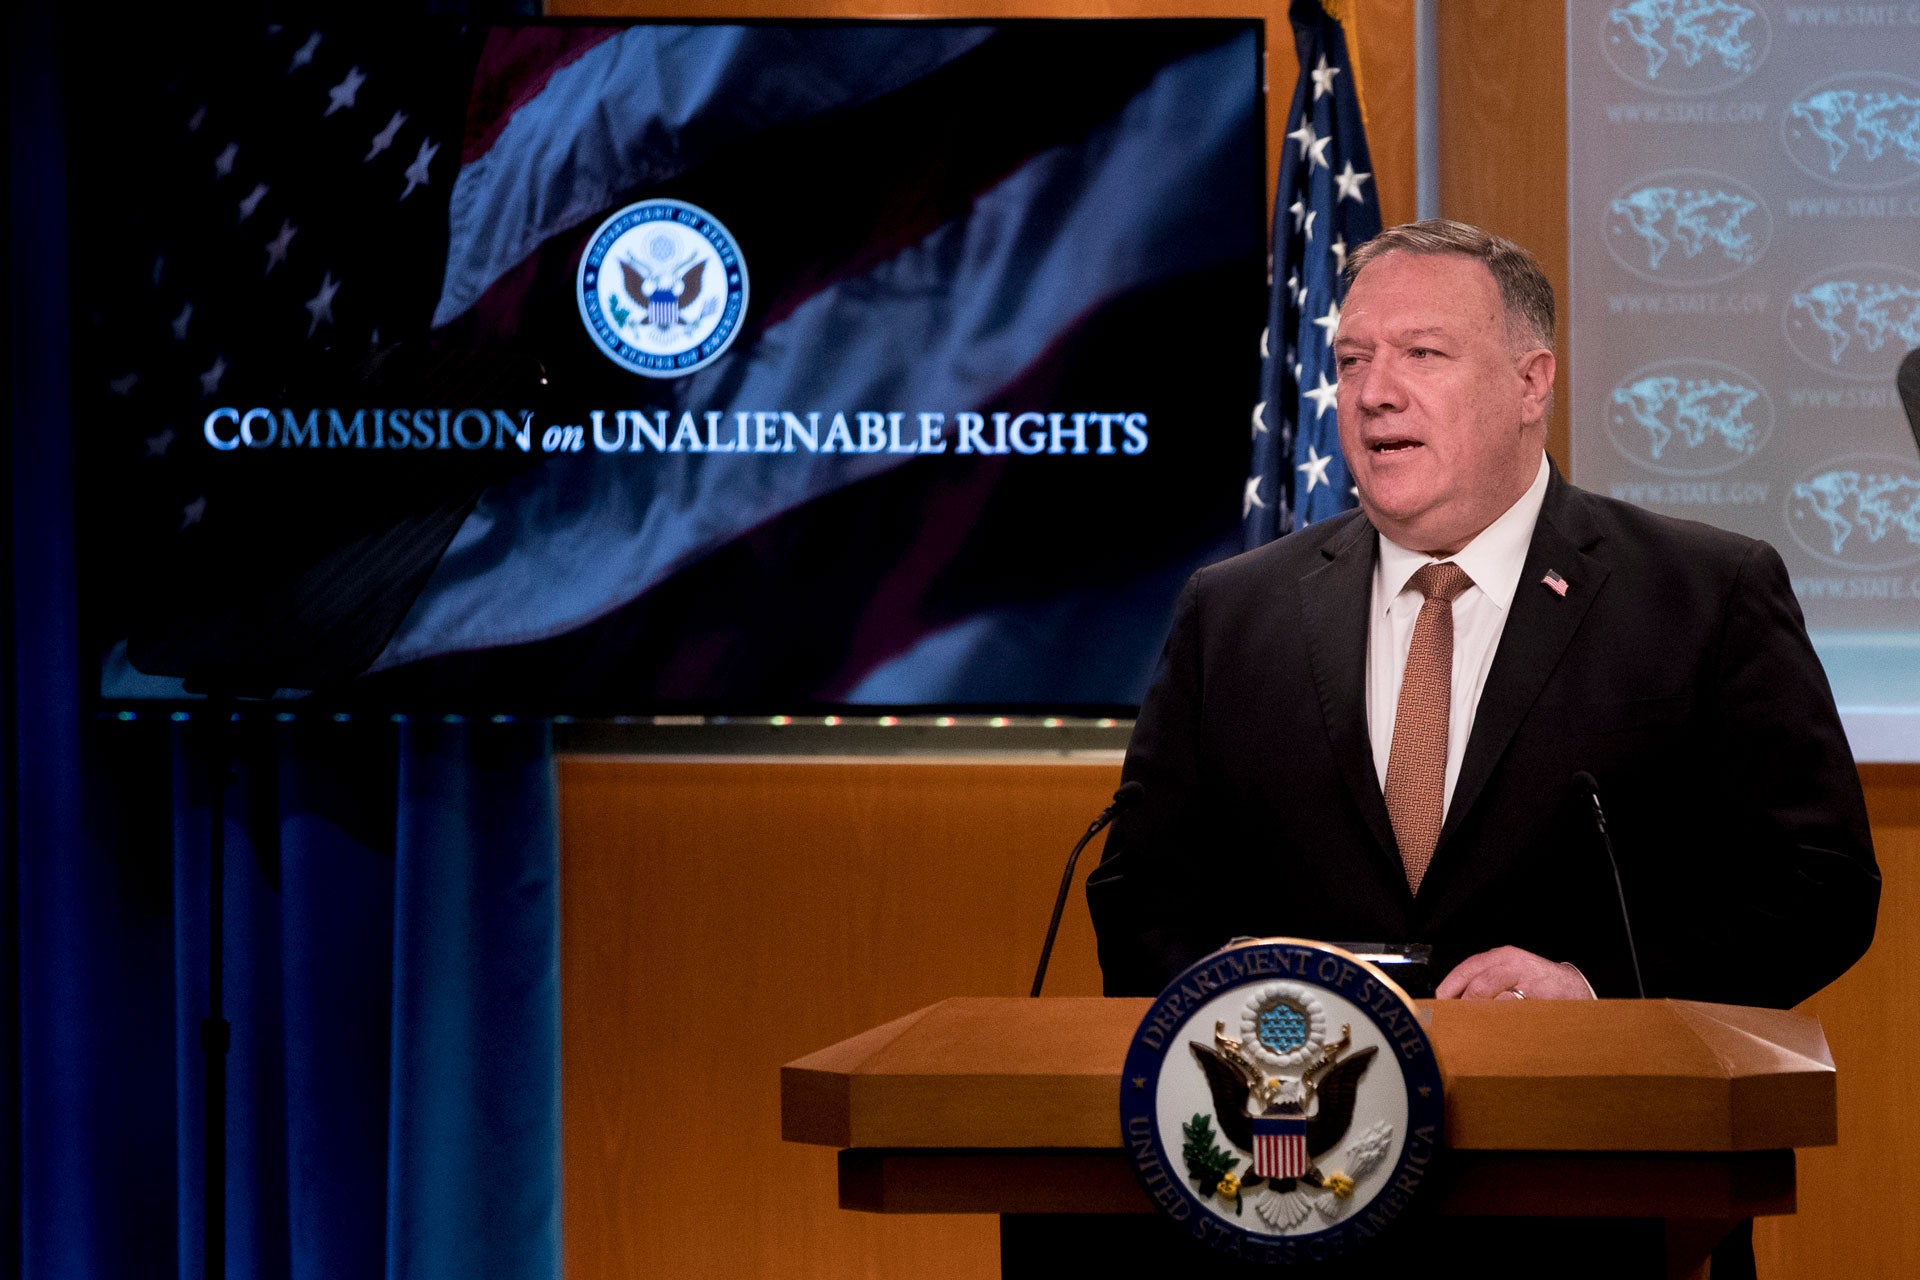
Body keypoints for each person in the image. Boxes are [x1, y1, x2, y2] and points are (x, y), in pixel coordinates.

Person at [1086, 220, 1880, 1012]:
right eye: (1353, 360)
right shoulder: (1232, 612)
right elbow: (1138, 894)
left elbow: (1821, 883)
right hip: (1302, 1118)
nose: (1374, 392)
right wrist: (1239, 1003)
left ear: (1532, 383)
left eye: (1422, 354)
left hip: (1598, 1117)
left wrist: (1596, 989)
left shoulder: (1705, 594)